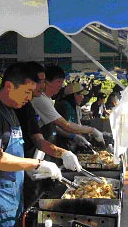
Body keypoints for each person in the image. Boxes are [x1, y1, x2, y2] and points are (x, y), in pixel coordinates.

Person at [0, 62, 65, 227]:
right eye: (27, 91)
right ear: (9, 86)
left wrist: (62, 154)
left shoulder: (12, 111)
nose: (29, 97)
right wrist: (37, 164)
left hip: (12, 194)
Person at [14, 62, 82, 209]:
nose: (42, 86)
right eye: (41, 82)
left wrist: (63, 153)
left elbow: (38, 139)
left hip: (33, 161)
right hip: (12, 174)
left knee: (34, 200)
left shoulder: (29, 107)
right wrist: (31, 163)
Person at [30, 65, 105, 156]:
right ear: (46, 82)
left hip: (47, 146)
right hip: (37, 148)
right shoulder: (41, 100)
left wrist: (73, 136)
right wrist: (92, 130)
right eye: (58, 81)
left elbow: (54, 125)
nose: (61, 85)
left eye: (62, 82)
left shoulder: (48, 100)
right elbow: (66, 125)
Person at [54, 82, 93, 152]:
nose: (83, 97)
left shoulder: (74, 106)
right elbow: (60, 127)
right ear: (73, 95)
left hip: (71, 143)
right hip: (64, 144)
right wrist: (74, 136)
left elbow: (77, 123)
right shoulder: (64, 106)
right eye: (81, 94)